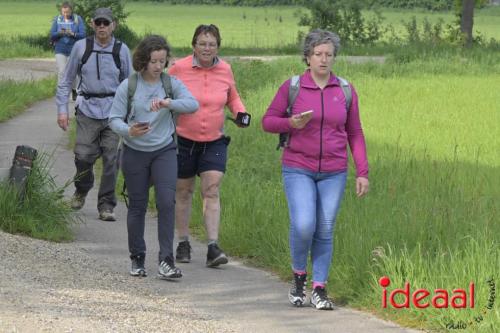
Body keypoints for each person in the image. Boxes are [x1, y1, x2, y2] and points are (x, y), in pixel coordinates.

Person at [262, 29, 369, 310]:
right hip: (298, 166)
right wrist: (290, 124)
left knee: (324, 229)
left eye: (329, 55)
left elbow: (355, 132)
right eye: (318, 54)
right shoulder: (293, 87)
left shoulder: (345, 90)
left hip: (334, 170)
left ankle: (320, 288)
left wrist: (362, 171)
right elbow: (268, 121)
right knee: (304, 224)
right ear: (307, 57)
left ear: (335, 58)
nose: (323, 60)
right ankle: (299, 277)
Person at [109, 35, 199, 279]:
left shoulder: (170, 84)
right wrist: (129, 130)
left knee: (166, 201)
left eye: (163, 61)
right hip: (134, 151)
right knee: (137, 205)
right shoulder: (129, 86)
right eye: (154, 61)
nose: (159, 66)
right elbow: (114, 118)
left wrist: (169, 103)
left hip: (165, 149)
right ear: (143, 61)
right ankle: (137, 258)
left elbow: (192, 104)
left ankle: (166, 261)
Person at [168, 24, 249, 268]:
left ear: (217, 47)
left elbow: (232, 97)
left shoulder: (225, 69)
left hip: (214, 140)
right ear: (194, 45)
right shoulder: (179, 68)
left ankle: (213, 247)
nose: (207, 48)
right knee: (183, 191)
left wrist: (241, 113)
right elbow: (161, 91)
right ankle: (183, 242)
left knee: (211, 190)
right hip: (183, 139)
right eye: (202, 43)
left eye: (211, 44)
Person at [56, 8, 132, 222]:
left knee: (111, 159)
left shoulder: (122, 50)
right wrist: (62, 110)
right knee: (82, 156)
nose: (101, 27)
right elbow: (66, 80)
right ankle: (82, 188)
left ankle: (106, 205)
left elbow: (131, 84)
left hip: (114, 112)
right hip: (87, 109)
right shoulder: (81, 47)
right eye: (98, 23)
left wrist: (131, 116)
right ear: (92, 24)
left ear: (113, 25)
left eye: (105, 23)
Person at [49, 1, 86, 100]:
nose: (65, 14)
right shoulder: (57, 19)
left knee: (72, 72)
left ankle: (74, 90)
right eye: (64, 12)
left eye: (67, 12)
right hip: (60, 49)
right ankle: (61, 93)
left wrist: (73, 34)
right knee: (62, 71)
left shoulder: (78, 19)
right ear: (61, 11)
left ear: (71, 11)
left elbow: (83, 34)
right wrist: (59, 33)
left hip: (73, 49)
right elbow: (52, 34)